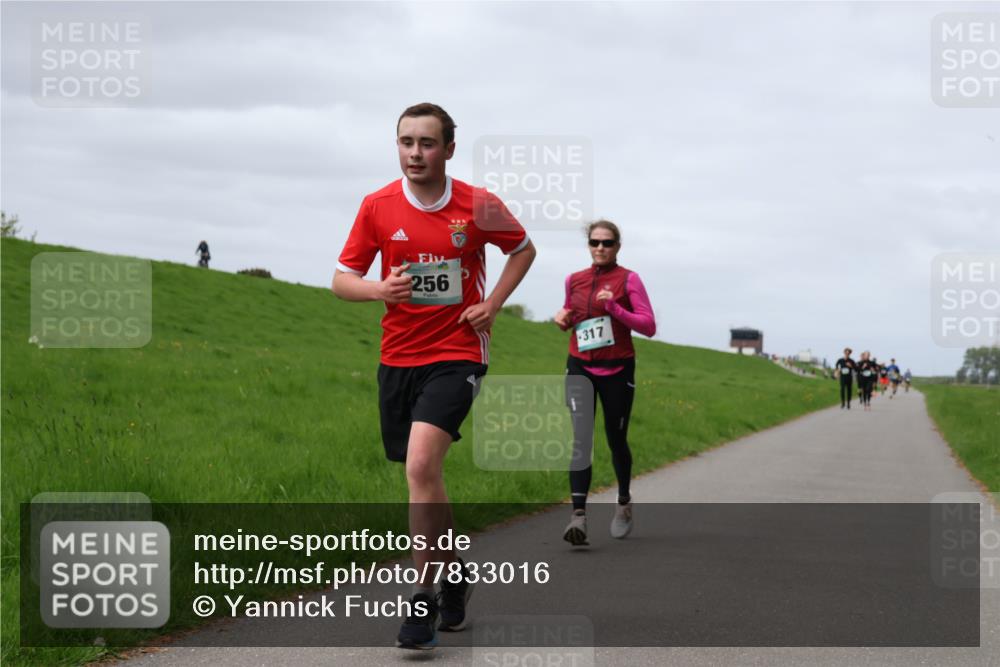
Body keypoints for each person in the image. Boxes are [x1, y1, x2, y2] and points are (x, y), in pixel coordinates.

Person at [331, 103, 536, 650]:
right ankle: (455, 572)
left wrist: (492, 304)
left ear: (448, 148)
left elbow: (522, 249)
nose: (414, 154)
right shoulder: (377, 206)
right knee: (424, 478)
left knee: (422, 463)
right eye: (405, 143)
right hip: (398, 357)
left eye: (426, 143)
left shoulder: (477, 204)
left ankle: (420, 599)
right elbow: (341, 279)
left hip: (458, 351)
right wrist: (379, 290)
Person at [553, 220, 656, 546]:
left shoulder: (629, 279)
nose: (600, 248)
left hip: (617, 370)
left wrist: (614, 307)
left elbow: (648, 325)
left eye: (607, 243)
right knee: (581, 439)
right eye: (595, 242)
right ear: (589, 245)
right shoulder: (574, 279)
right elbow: (572, 313)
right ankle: (578, 517)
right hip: (580, 366)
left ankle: (624, 502)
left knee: (615, 439)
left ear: (617, 247)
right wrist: (563, 318)